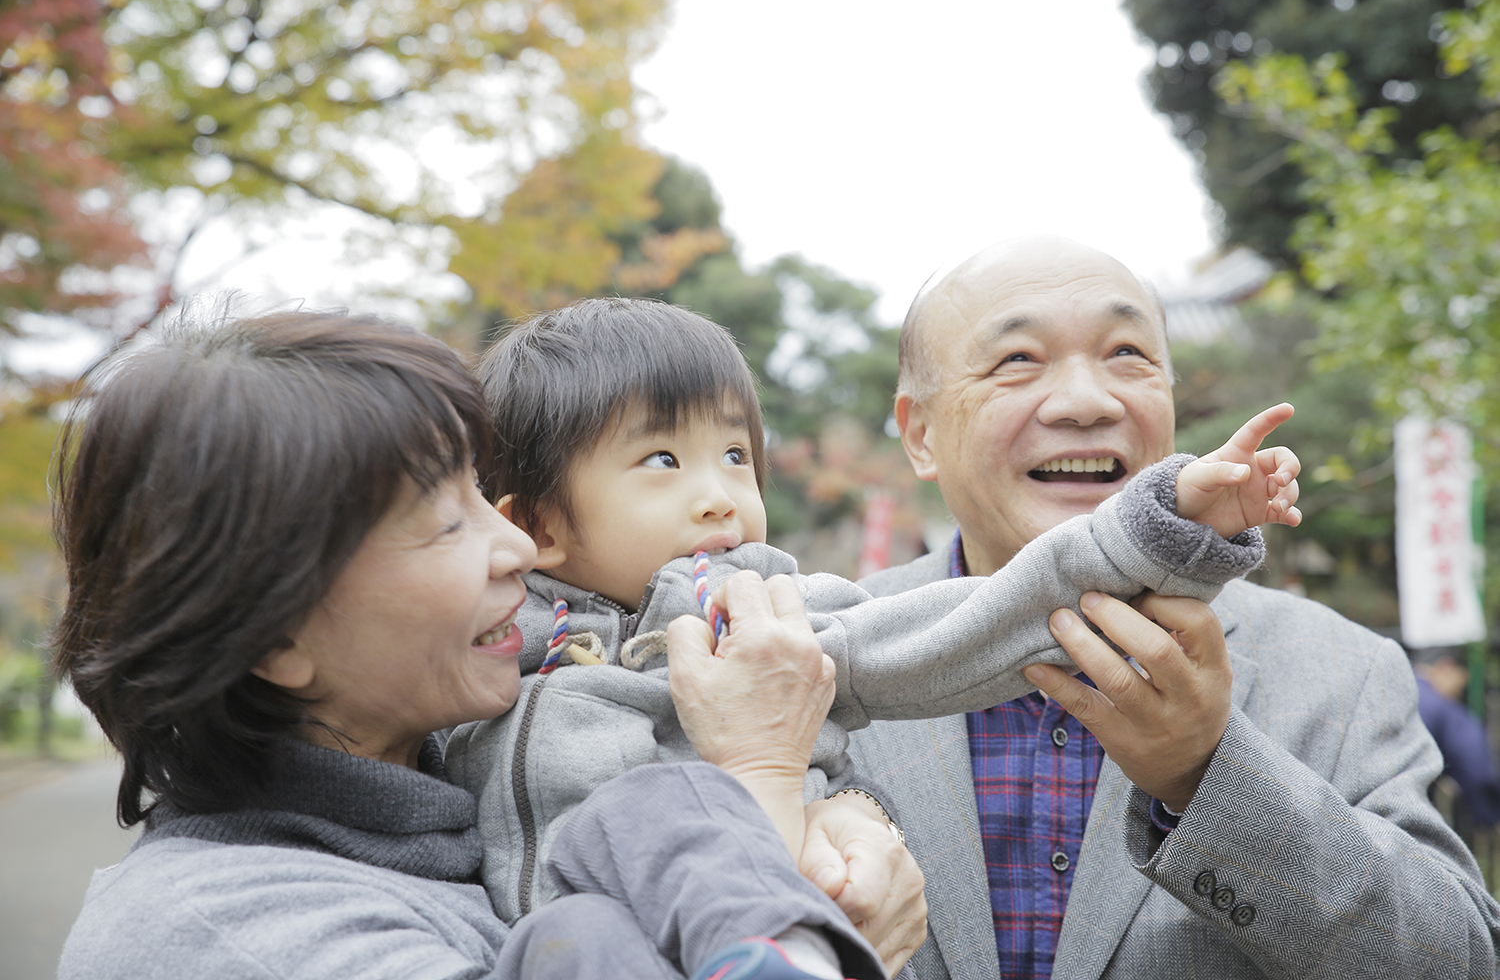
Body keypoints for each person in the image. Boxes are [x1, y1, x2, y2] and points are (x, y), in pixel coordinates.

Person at [49, 310, 893, 980]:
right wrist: (761, 781)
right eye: (447, 521)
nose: (521, 549)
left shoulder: (472, 787)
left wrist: (848, 810)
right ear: (272, 635)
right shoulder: (239, 935)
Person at [445, 297, 1301, 950]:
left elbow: (972, 623)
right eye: (662, 460)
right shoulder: (468, 644)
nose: (722, 494)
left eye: (737, 455)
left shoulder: (764, 618)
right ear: (537, 528)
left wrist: (1159, 529)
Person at [846, 235, 1500, 980]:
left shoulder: (1343, 672)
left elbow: (1462, 961)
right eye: (1017, 360)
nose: (1089, 401)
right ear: (921, 434)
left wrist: (1207, 774)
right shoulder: (811, 657)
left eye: (1127, 353)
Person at [1414, 650, 1500, 828]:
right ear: (1447, 667)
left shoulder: (1386, 689)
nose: (1458, 693)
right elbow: (1479, 771)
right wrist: (1488, 818)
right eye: (1460, 686)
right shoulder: (1439, 705)